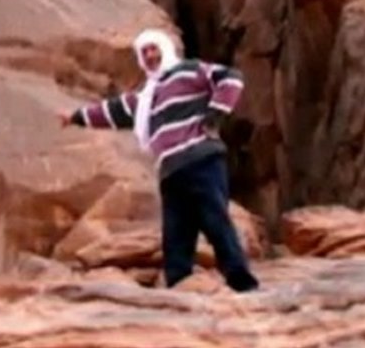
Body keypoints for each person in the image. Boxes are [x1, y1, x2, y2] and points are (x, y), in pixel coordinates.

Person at [60, 28, 259, 292]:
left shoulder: (188, 70)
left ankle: (242, 283)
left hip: (202, 161)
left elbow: (231, 78)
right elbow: (113, 111)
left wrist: (215, 114)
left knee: (215, 221)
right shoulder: (146, 98)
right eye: (145, 52)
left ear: (165, 49)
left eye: (154, 48)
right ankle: (179, 287)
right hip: (171, 173)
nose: (151, 55)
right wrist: (75, 117)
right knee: (176, 235)